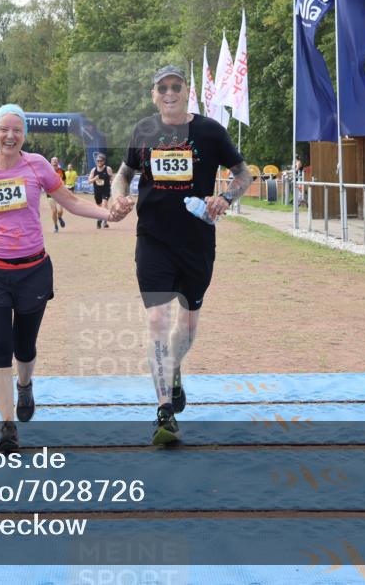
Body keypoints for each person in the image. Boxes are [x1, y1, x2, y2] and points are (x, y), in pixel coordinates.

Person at [0, 104, 118, 453]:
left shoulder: (36, 166)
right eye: (4, 129)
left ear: (24, 135)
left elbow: (69, 200)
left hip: (33, 271)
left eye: (16, 130)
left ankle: (25, 384)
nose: (9, 136)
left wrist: (106, 212)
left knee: (25, 347)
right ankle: (7, 429)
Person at [109, 65, 253, 445]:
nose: (169, 93)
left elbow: (244, 175)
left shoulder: (209, 131)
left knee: (186, 327)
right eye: (162, 88)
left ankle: (173, 372)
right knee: (158, 320)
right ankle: (163, 410)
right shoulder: (143, 131)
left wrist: (224, 199)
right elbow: (123, 173)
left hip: (197, 243)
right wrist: (117, 195)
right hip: (153, 239)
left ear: (187, 91)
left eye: (176, 86)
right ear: (153, 95)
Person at [88, 153, 114, 229]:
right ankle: (99, 219)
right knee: (99, 207)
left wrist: (113, 183)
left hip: (105, 190)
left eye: (100, 161)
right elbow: (89, 181)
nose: (99, 162)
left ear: (104, 161)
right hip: (97, 191)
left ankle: (104, 220)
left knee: (105, 204)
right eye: (97, 161)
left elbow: (112, 178)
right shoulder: (94, 170)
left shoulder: (108, 169)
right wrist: (95, 179)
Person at [48, 157, 67, 232]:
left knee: (60, 211)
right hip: (50, 193)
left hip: (60, 193)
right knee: (54, 211)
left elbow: (64, 181)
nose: (55, 162)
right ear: (51, 163)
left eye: (56, 161)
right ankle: (55, 226)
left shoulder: (62, 171)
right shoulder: (47, 171)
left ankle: (59, 217)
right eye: (53, 161)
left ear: (58, 162)